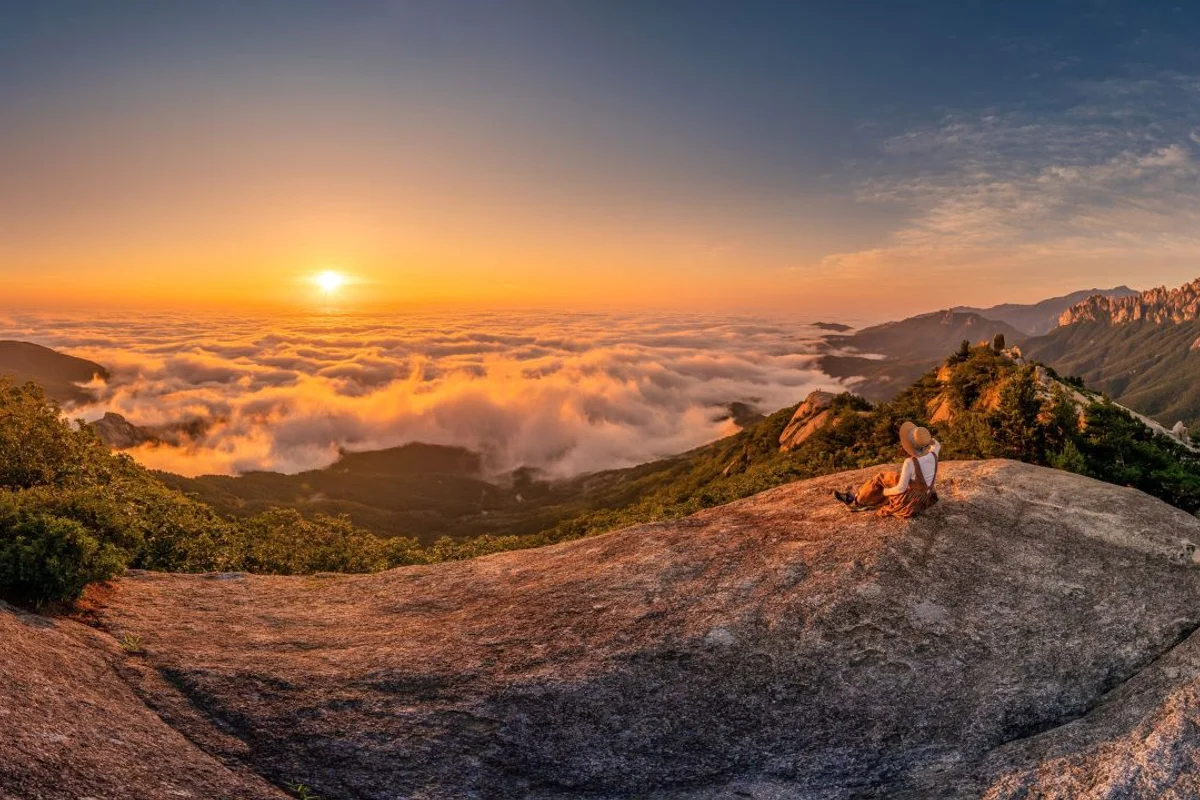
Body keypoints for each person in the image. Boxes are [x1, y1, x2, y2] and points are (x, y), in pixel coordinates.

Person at [833, 421, 940, 518]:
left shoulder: (910, 462)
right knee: (891, 476)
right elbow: (936, 443)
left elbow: (900, 489)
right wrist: (924, 439)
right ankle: (860, 497)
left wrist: (886, 491)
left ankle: (856, 500)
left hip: (911, 501)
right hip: (926, 498)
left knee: (880, 479)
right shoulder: (934, 453)